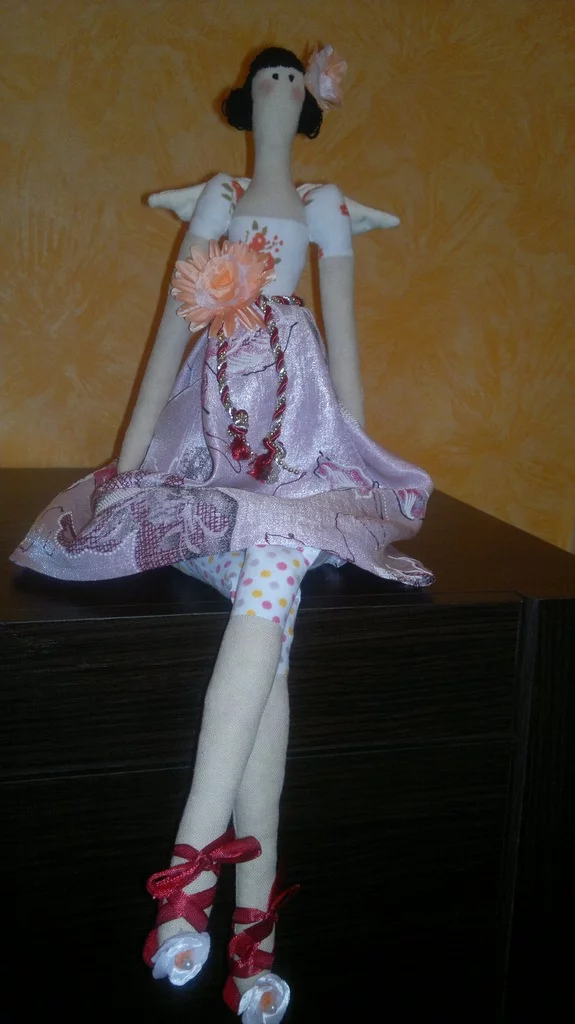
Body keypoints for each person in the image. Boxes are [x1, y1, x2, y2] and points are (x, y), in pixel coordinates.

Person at [11, 46, 433, 1023]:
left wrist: (357, 461)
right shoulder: (223, 196)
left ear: (309, 103)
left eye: (293, 82)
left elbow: (344, 334)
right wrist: (126, 465)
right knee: (270, 610)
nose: (280, 91)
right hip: (202, 458)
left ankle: (188, 885)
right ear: (248, 103)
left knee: (274, 568)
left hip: (303, 455)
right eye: (268, 82)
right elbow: (171, 334)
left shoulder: (323, 206)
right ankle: (253, 940)